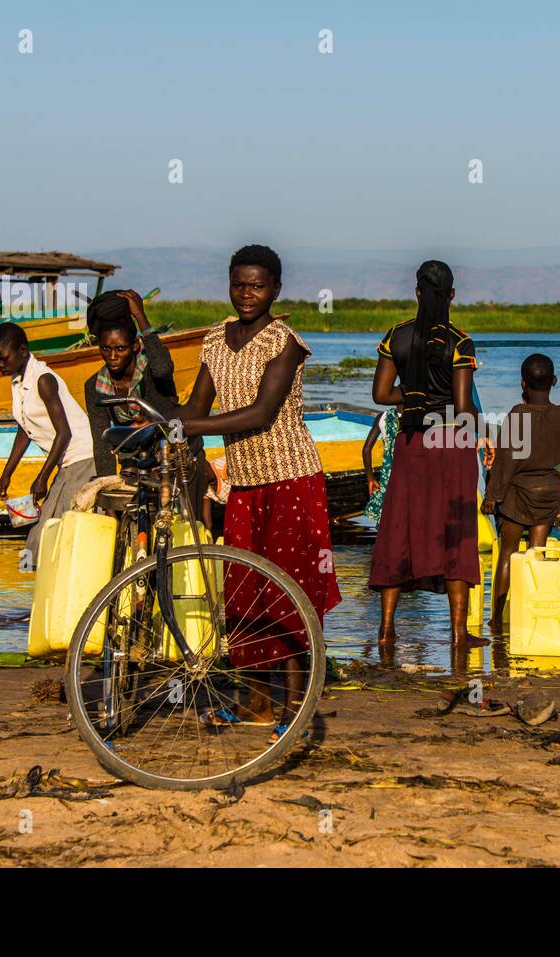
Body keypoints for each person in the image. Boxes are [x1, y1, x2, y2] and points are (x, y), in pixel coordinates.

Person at [176, 244, 341, 741]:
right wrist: (163, 419)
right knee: (245, 593)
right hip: (245, 481)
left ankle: (294, 706)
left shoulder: (284, 342)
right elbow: (197, 404)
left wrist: (187, 425)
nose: (247, 294)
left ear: (276, 289)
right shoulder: (213, 341)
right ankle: (255, 702)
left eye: (258, 285)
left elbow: (261, 413)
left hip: (290, 475)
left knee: (286, 591)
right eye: (239, 284)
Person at [368, 260, 482, 647]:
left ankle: (386, 630)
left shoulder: (395, 337)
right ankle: (458, 633)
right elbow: (464, 407)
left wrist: (414, 396)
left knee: (398, 527)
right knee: (456, 531)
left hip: (411, 442)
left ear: (417, 292)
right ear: (451, 294)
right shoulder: (459, 341)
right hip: (451, 443)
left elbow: (382, 395)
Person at [82, 289, 210, 519]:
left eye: (120, 348)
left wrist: (141, 317)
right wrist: (108, 497)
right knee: (131, 524)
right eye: (105, 348)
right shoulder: (95, 386)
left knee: (186, 522)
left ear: (134, 346)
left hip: (176, 458)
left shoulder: (152, 368)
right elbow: (101, 442)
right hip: (135, 464)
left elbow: (163, 367)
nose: (112, 356)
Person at [0, 322, 97, 567]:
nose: (0, 366)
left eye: (4, 360)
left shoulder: (43, 380)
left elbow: (64, 433)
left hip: (82, 459)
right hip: (66, 463)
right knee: (40, 535)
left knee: (62, 530)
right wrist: (6, 475)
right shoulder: (18, 381)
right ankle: (43, 594)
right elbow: (24, 429)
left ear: (23, 351)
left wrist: (42, 478)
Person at [483, 353, 560, 629]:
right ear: (554, 380)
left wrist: (492, 496)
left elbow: (507, 461)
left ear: (522, 383)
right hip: (548, 492)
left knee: (508, 554)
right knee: (537, 555)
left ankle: (496, 620)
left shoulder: (518, 414)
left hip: (520, 492)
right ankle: (532, 619)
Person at [361, 404, 401, 525]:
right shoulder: (419, 417)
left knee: (388, 518)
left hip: (388, 479)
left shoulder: (383, 417)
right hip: (410, 476)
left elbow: (366, 449)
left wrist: (370, 478)